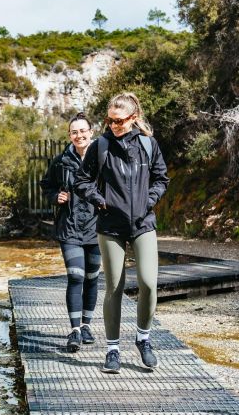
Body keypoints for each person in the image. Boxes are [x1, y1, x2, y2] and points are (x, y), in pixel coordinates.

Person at [74, 93, 169, 373]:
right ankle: (112, 349)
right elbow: (82, 181)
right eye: (110, 121)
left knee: (149, 283)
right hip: (110, 226)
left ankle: (143, 339)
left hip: (143, 224)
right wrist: (100, 200)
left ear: (133, 119)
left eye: (119, 121)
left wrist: (149, 200)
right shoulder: (100, 146)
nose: (114, 125)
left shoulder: (148, 145)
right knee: (114, 287)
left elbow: (161, 178)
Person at [39, 112, 101, 353]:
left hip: (97, 228)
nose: (79, 135)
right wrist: (57, 197)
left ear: (91, 132)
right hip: (70, 227)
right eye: (74, 132)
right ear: (69, 135)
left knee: (92, 278)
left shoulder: (102, 157)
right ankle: (74, 330)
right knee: (76, 276)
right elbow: (46, 185)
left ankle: (87, 325)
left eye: (82, 131)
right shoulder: (61, 161)